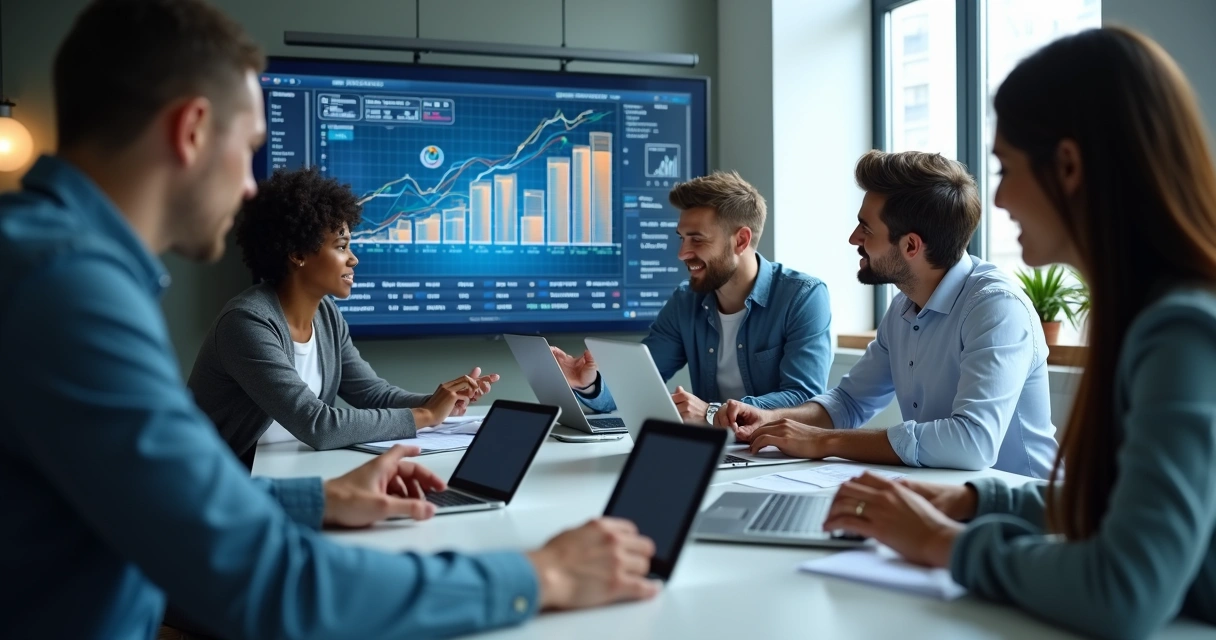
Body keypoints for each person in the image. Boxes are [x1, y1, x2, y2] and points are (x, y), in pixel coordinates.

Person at [0, 1, 658, 638]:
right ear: (192, 130)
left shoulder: (49, 262)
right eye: (249, 145)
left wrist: (317, 499)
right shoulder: (69, 291)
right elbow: (269, 582)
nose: (251, 186)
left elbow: (158, 503)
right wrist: (539, 574)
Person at [821, 27, 1216, 638]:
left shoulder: (1182, 329)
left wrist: (942, 543)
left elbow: (1123, 591)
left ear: (1069, 166)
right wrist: (981, 503)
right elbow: (1118, 503)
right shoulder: (1149, 313)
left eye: (1005, 167)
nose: (997, 197)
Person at [718, 150, 1058, 478]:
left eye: (866, 229)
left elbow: (972, 442)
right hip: (944, 495)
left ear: (911, 246)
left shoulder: (995, 307)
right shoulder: (903, 305)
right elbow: (849, 402)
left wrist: (823, 441)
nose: (854, 238)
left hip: (1022, 515)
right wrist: (771, 418)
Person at [188, 166, 498, 467]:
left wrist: (438, 402)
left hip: (289, 469)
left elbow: (373, 394)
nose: (353, 258)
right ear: (297, 253)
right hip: (223, 486)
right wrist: (426, 415)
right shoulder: (247, 323)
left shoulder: (326, 316)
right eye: (341, 246)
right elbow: (319, 425)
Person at [552, 170, 833, 424]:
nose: (682, 253)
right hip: (714, 451)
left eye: (697, 239)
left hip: (778, 456)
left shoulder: (803, 297)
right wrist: (589, 384)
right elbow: (637, 383)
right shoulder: (686, 301)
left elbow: (804, 398)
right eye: (681, 238)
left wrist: (713, 413)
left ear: (741, 241)